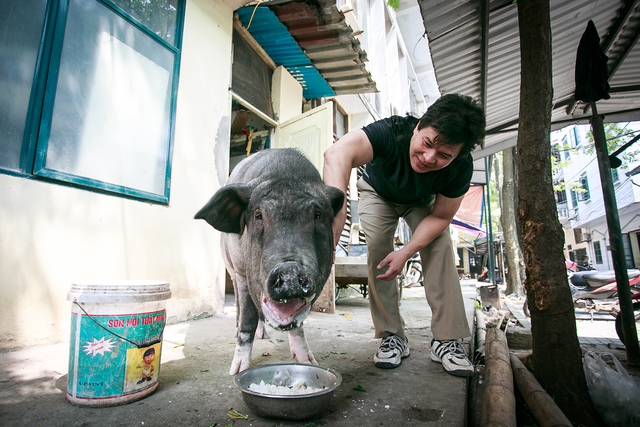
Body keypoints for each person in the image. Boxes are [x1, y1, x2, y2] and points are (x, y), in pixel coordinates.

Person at [323, 93, 485, 377]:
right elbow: (336, 154)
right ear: (419, 125)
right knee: (377, 249)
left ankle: (447, 340)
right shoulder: (390, 131)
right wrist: (334, 221)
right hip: (378, 191)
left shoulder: (461, 167)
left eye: (444, 155)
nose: (428, 158)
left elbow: (442, 216)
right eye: (427, 143)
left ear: (457, 156)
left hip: (422, 201)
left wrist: (407, 251)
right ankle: (391, 334)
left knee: (440, 245)